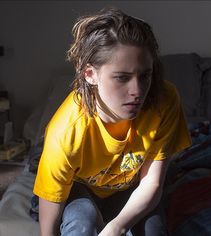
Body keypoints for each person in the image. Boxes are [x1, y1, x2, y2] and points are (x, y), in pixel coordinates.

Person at [33, 7, 191, 236]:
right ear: (90, 75)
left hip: (133, 186)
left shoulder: (164, 100)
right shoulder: (66, 130)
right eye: (122, 78)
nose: (137, 91)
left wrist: (117, 226)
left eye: (145, 75)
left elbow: (151, 183)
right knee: (81, 222)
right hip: (79, 189)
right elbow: (51, 205)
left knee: (153, 230)